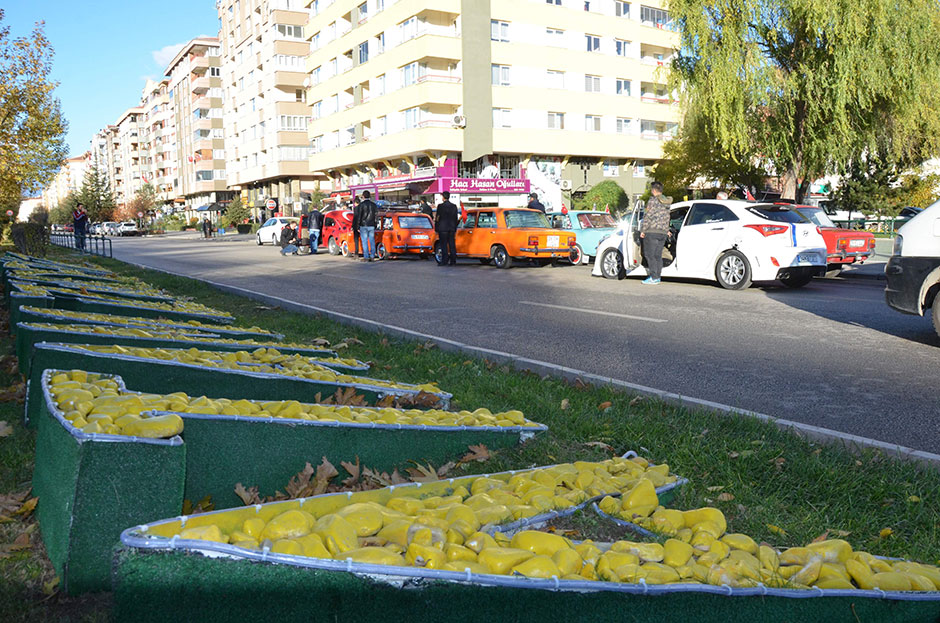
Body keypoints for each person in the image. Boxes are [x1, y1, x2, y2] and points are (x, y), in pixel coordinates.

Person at [639, 181, 673, 285]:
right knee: (658, 255)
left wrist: (643, 230)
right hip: (662, 232)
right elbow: (667, 217)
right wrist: (666, 230)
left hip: (652, 231)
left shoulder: (652, 200)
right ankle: (657, 276)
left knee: (649, 255)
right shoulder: (667, 202)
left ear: (653, 190)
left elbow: (648, 216)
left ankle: (653, 277)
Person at [435, 191, 459, 266]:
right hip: (451, 228)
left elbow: (437, 218)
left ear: (443, 197)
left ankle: (444, 260)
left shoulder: (440, 206)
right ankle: (453, 260)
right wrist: (455, 226)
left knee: (443, 245)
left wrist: (436, 227)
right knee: (452, 244)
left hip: (443, 228)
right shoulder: (454, 206)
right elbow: (456, 218)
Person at [357, 190, 378, 262]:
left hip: (363, 225)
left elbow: (359, 216)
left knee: (364, 241)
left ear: (363, 196)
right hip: (371, 224)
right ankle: (372, 255)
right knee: (372, 240)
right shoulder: (374, 205)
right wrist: (375, 224)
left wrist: (358, 225)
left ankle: (366, 256)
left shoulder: (361, 205)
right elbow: (376, 216)